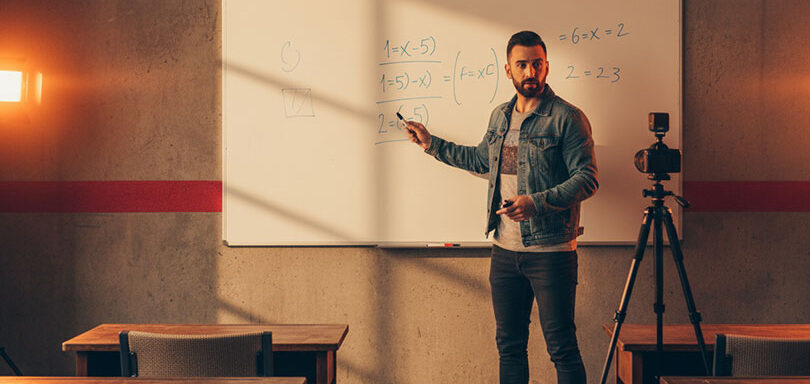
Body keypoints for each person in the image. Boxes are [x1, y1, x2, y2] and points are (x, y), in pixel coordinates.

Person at [403, 30, 598, 384]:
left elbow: (587, 178)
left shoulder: (567, 118)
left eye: (537, 64)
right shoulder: (499, 117)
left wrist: (535, 204)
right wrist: (432, 144)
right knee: (509, 348)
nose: (530, 72)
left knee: (562, 348)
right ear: (508, 70)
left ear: (547, 67)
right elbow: (482, 161)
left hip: (551, 252)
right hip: (505, 253)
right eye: (522, 65)